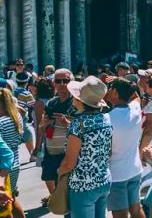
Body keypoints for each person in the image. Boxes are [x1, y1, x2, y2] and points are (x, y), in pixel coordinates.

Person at [58, 76, 113, 218]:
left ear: (79, 100)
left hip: (83, 185)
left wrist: (60, 173)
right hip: (103, 179)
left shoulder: (78, 125)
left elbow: (70, 163)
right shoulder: (106, 118)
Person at [105, 78, 145, 218]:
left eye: (109, 88)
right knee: (136, 209)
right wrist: (121, 81)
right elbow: (136, 96)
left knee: (120, 214)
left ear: (115, 92)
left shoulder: (107, 119)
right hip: (134, 168)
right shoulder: (135, 109)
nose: (107, 90)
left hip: (117, 174)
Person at [36, 68, 73, 205]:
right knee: (57, 189)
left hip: (68, 155)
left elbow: (83, 129)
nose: (62, 84)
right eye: (59, 81)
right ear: (54, 83)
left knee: (69, 195)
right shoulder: (51, 103)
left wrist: (67, 123)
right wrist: (44, 124)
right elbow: (41, 128)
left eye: (66, 80)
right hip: (51, 153)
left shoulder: (76, 102)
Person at [0, 88, 25, 218]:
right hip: (15, 162)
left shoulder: (1, 122)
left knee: (5, 205)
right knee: (12, 198)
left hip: (4, 167)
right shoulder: (16, 116)